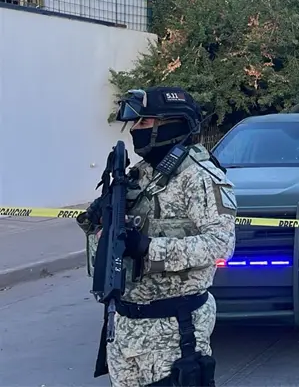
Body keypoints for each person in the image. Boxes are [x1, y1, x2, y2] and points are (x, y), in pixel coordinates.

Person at [77, 87, 237, 387]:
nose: (135, 130)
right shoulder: (139, 174)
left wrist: (148, 248)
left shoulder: (200, 177)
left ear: (172, 123)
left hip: (175, 327)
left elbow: (221, 245)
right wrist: (96, 219)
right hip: (125, 325)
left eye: (144, 122)